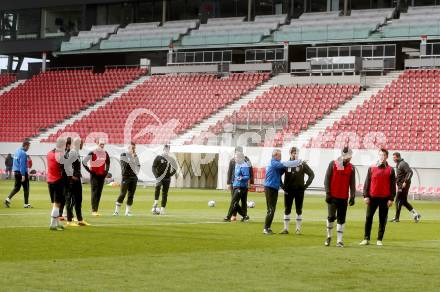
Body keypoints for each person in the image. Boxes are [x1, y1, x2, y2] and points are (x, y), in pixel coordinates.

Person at [360, 148, 396, 246]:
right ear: (378, 156)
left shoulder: (391, 170)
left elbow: (393, 186)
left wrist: (391, 198)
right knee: (368, 217)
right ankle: (366, 238)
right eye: (380, 155)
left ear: (387, 157)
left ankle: (379, 239)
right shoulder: (371, 168)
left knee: (382, 219)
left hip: (385, 198)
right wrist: (365, 196)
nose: (382, 157)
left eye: (384, 155)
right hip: (372, 198)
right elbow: (367, 183)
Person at [263, 149, 302, 235]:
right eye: (279, 156)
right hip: (270, 188)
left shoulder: (274, 164)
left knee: (271, 209)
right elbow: (285, 164)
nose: (280, 157)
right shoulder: (274, 163)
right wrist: (298, 161)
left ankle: (267, 228)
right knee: (271, 209)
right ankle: (266, 228)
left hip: (272, 187)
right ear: (275, 156)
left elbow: (282, 170)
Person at [323, 147, 356, 247]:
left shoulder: (351, 167)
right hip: (332, 196)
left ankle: (339, 241)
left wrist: (352, 196)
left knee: (341, 219)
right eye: (347, 156)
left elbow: (352, 183)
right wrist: (328, 193)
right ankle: (329, 236)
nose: (348, 158)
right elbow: (327, 180)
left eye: (350, 156)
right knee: (331, 217)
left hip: (343, 197)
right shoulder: (333, 164)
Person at [280, 147, 315, 235]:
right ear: (290, 154)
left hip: (299, 191)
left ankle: (298, 229)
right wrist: (283, 187)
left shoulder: (302, 164)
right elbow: (277, 175)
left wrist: (306, 185)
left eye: (296, 153)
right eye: (293, 153)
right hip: (288, 191)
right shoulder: (286, 164)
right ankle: (286, 229)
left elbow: (311, 174)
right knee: (287, 209)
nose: (295, 155)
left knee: (299, 210)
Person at [65, 137, 90, 226]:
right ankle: (69, 220)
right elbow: (66, 165)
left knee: (78, 200)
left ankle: (80, 219)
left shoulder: (75, 152)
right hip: (72, 180)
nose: (82, 145)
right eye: (81, 143)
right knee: (71, 200)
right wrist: (72, 176)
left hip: (76, 179)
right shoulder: (73, 152)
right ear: (78, 143)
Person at [83, 139, 110, 216]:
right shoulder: (92, 152)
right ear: (97, 144)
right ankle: (93, 210)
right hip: (94, 175)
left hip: (102, 175)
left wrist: (106, 171)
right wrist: (89, 171)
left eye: (103, 144)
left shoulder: (105, 153)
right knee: (94, 192)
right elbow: (84, 162)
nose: (102, 145)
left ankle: (96, 210)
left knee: (99, 192)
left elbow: (108, 162)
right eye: (100, 144)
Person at [390, 152, 421, 223]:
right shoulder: (399, 164)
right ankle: (416, 214)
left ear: (398, 157)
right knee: (403, 202)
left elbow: (410, 172)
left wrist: (405, 182)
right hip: (401, 185)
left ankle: (396, 218)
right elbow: (400, 175)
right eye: (393, 157)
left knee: (397, 200)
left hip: (403, 185)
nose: (393, 159)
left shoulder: (403, 163)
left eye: (394, 157)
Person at [226, 146, 254, 221]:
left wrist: (251, 182)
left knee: (244, 200)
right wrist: (228, 183)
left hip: (244, 183)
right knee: (234, 200)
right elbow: (229, 171)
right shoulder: (232, 160)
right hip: (234, 183)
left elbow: (251, 170)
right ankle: (234, 215)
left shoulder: (247, 160)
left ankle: (243, 215)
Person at [114, 142, 140, 216]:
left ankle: (127, 212)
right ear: (128, 148)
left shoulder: (135, 156)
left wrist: (136, 172)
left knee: (131, 195)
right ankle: (116, 211)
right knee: (122, 194)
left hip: (134, 177)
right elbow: (125, 166)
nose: (133, 149)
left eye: (134, 148)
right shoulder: (123, 155)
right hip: (126, 177)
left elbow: (138, 166)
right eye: (132, 148)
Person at [4, 140, 31, 208]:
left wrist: (15, 170)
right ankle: (26, 204)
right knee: (26, 188)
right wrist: (23, 175)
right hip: (21, 172)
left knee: (17, 188)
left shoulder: (17, 151)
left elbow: (15, 162)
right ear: (25, 146)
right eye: (28, 147)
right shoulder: (23, 153)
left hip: (16, 171)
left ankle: (8, 199)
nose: (28, 148)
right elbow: (22, 165)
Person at [47, 138, 67, 231]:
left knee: (55, 203)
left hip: (50, 180)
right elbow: (64, 170)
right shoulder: (60, 156)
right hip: (58, 181)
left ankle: (57, 223)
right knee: (57, 204)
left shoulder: (49, 153)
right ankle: (52, 225)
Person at [152, 145, 177, 215]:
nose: (166, 151)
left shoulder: (171, 159)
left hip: (167, 179)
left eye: (168, 149)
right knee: (157, 186)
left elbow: (175, 168)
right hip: (159, 177)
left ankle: (162, 209)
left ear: (169, 150)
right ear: (163, 149)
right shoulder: (158, 157)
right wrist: (156, 176)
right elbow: (153, 167)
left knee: (165, 193)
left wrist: (170, 174)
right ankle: (156, 201)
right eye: (165, 149)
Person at [59, 137, 72, 220]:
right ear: (68, 145)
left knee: (64, 196)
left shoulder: (63, 153)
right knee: (67, 196)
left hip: (63, 177)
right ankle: (66, 214)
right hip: (66, 178)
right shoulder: (66, 153)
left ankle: (61, 214)